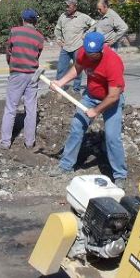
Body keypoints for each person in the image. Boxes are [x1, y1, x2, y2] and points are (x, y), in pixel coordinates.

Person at [50, 32, 128, 189]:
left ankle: (120, 175)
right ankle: (66, 165)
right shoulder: (84, 53)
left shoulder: (113, 62)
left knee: (112, 137)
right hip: (91, 96)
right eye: (88, 53)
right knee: (76, 127)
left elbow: (114, 95)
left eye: (94, 55)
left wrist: (96, 110)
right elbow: (77, 68)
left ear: (101, 50)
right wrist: (61, 81)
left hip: (111, 100)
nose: (90, 57)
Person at [0, 9, 44, 149]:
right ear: (35, 21)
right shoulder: (39, 37)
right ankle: (29, 142)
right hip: (33, 75)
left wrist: (11, 65)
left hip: (17, 73)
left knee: (11, 108)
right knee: (31, 109)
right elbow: (37, 55)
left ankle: (5, 142)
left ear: (23, 19)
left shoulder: (15, 31)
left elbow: (9, 51)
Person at [54, 0, 94, 93]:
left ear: (75, 7)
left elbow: (94, 25)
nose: (66, 8)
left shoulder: (83, 17)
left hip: (78, 47)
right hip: (66, 47)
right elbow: (57, 29)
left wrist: (86, 34)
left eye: (69, 6)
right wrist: (59, 39)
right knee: (61, 68)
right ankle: (58, 87)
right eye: (66, 6)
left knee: (78, 68)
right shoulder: (63, 16)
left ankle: (76, 89)